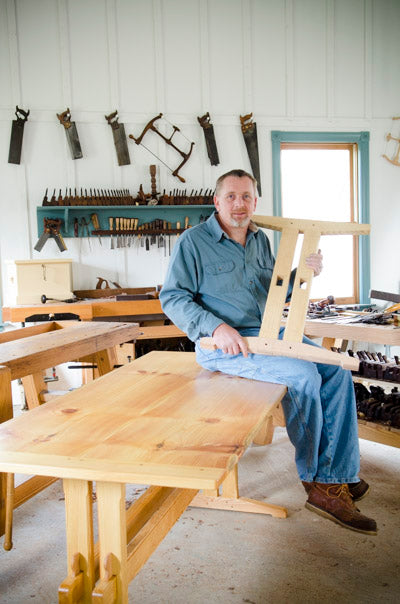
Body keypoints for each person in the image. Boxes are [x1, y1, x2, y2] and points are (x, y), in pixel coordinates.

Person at [160, 168, 377, 535]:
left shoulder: (260, 240)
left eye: (246, 196)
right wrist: (216, 326)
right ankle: (319, 484)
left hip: (268, 332)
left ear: (255, 202)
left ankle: (340, 472)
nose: (239, 204)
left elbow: (273, 290)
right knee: (302, 376)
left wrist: (304, 274)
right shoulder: (192, 242)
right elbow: (172, 298)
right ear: (217, 201)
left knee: (336, 372)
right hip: (222, 344)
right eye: (231, 196)